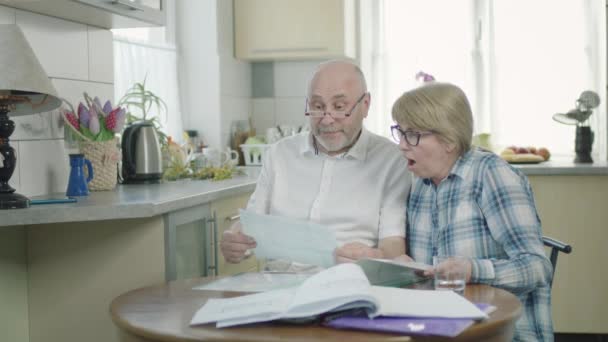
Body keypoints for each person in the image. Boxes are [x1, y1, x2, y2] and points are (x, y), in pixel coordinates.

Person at [391, 82, 553, 341]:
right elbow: (430, 269)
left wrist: (472, 269)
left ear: (449, 140)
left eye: (412, 134)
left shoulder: (492, 175)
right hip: (442, 328)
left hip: (501, 332)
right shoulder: (420, 182)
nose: (401, 145)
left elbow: (537, 267)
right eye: (400, 132)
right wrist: (403, 268)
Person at [220, 60, 412, 271]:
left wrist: (374, 256)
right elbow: (250, 225)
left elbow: (393, 246)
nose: (327, 119)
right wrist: (236, 242)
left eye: (339, 107)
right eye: (318, 107)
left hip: (349, 284)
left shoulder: (391, 160)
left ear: (365, 105)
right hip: (277, 285)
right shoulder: (279, 154)